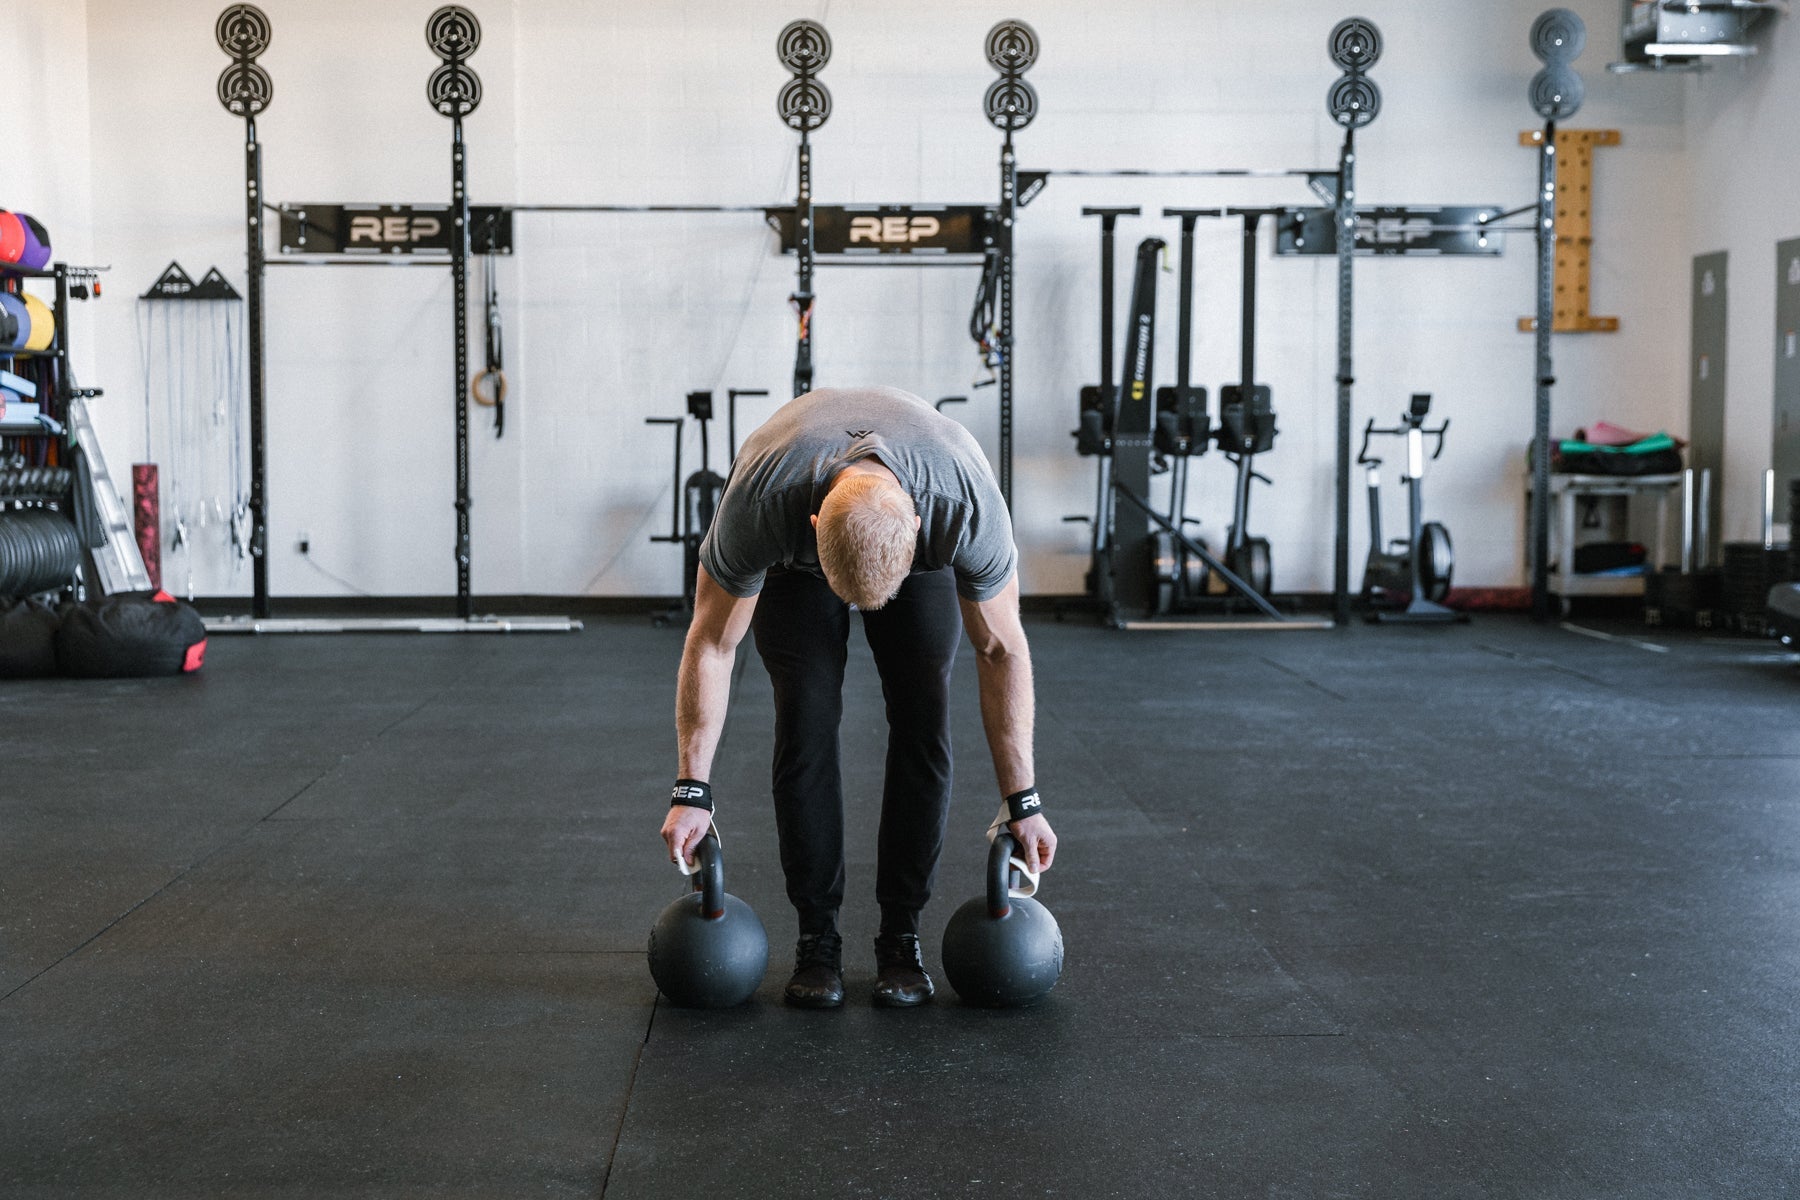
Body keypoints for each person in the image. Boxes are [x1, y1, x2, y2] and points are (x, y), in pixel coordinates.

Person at [659, 384, 1057, 1008]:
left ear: (920, 526)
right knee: (805, 718)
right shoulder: (762, 502)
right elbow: (711, 642)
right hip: (796, 563)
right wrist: (692, 790)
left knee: (924, 717)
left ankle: (901, 936)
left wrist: (1023, 801)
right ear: (814, 525)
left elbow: (1002, 650)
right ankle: (817, 939)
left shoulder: (963, 504)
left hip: (913, 549)